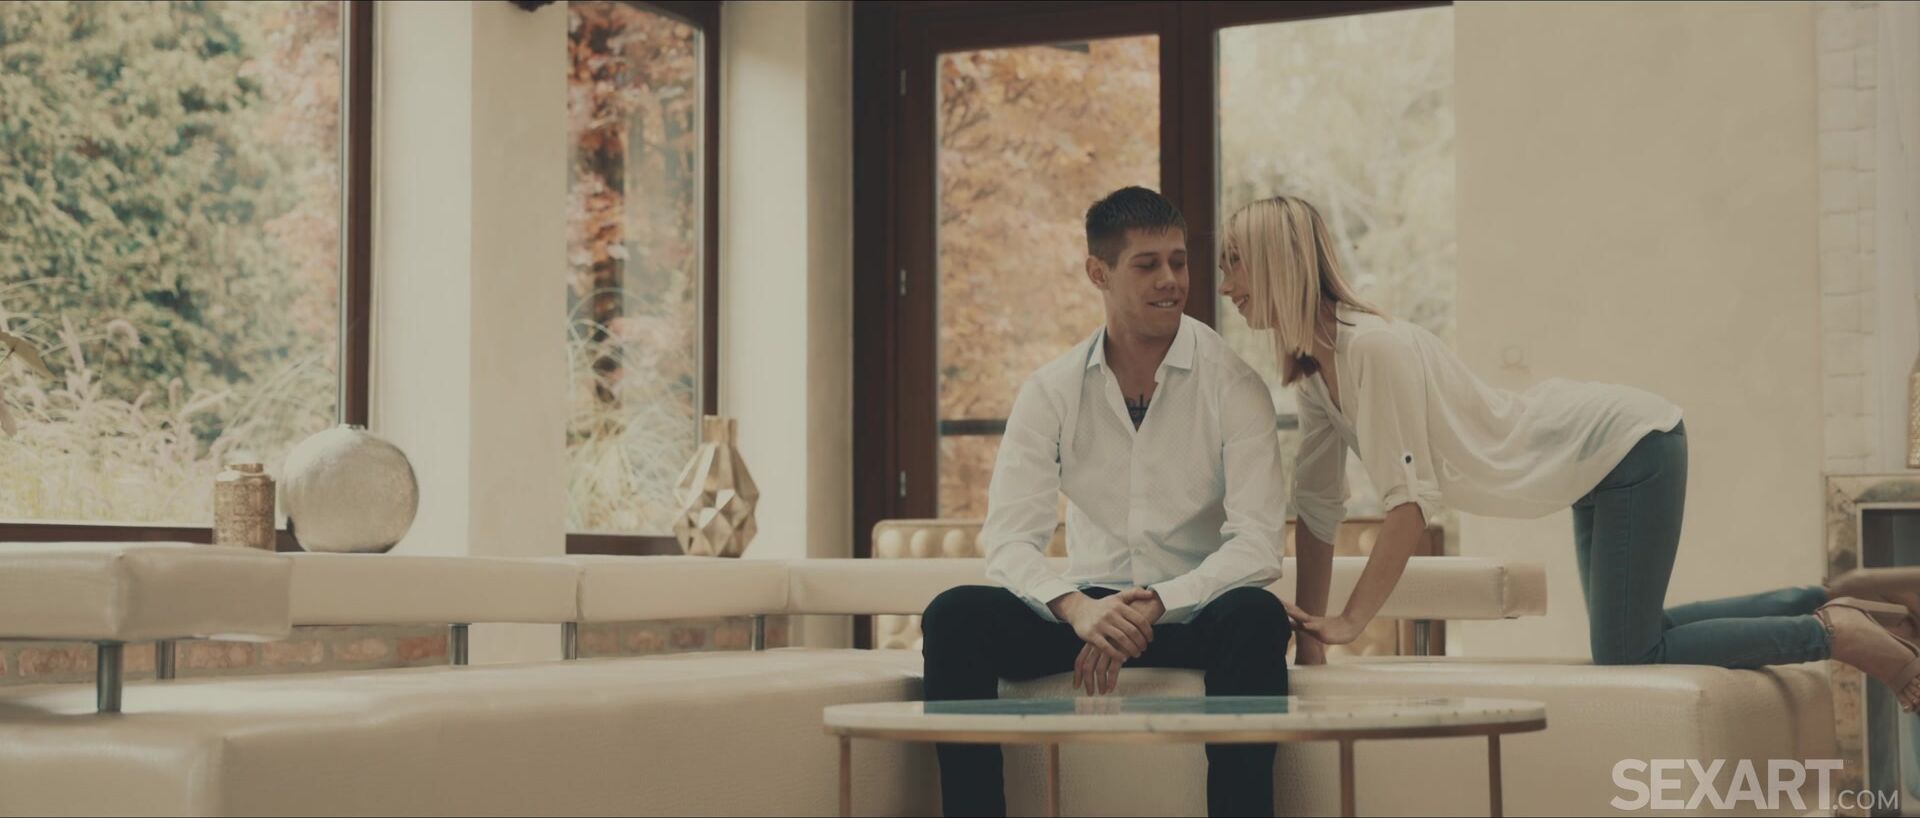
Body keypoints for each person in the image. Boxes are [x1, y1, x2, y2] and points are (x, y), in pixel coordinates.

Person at [1215, 193, 1920, 713]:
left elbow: (1408, 510)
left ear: (1279, 261)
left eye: (1234, 262)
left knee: (1628, 651)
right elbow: (1317, 511)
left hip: (1630, 445)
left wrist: (1350, 621)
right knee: (1637, 633)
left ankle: (1836, 634)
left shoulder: (1375, 349)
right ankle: (1849, 600)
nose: (1226, 286)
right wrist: (1313, 642)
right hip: (1594, 464)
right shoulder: (1317, 372)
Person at [920, 186, 1293, 817]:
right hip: (1087, 609)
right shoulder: (1051, 391)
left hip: (1193, 612)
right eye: (1148, 264)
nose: (1171, 280)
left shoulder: (1234, 385)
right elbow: (1008, 540)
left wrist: (1160, 601)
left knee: (1258, 615)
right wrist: (1076, 609)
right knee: (953, 615)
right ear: (1099, 272)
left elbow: (1257, 544)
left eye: (1179, 261)